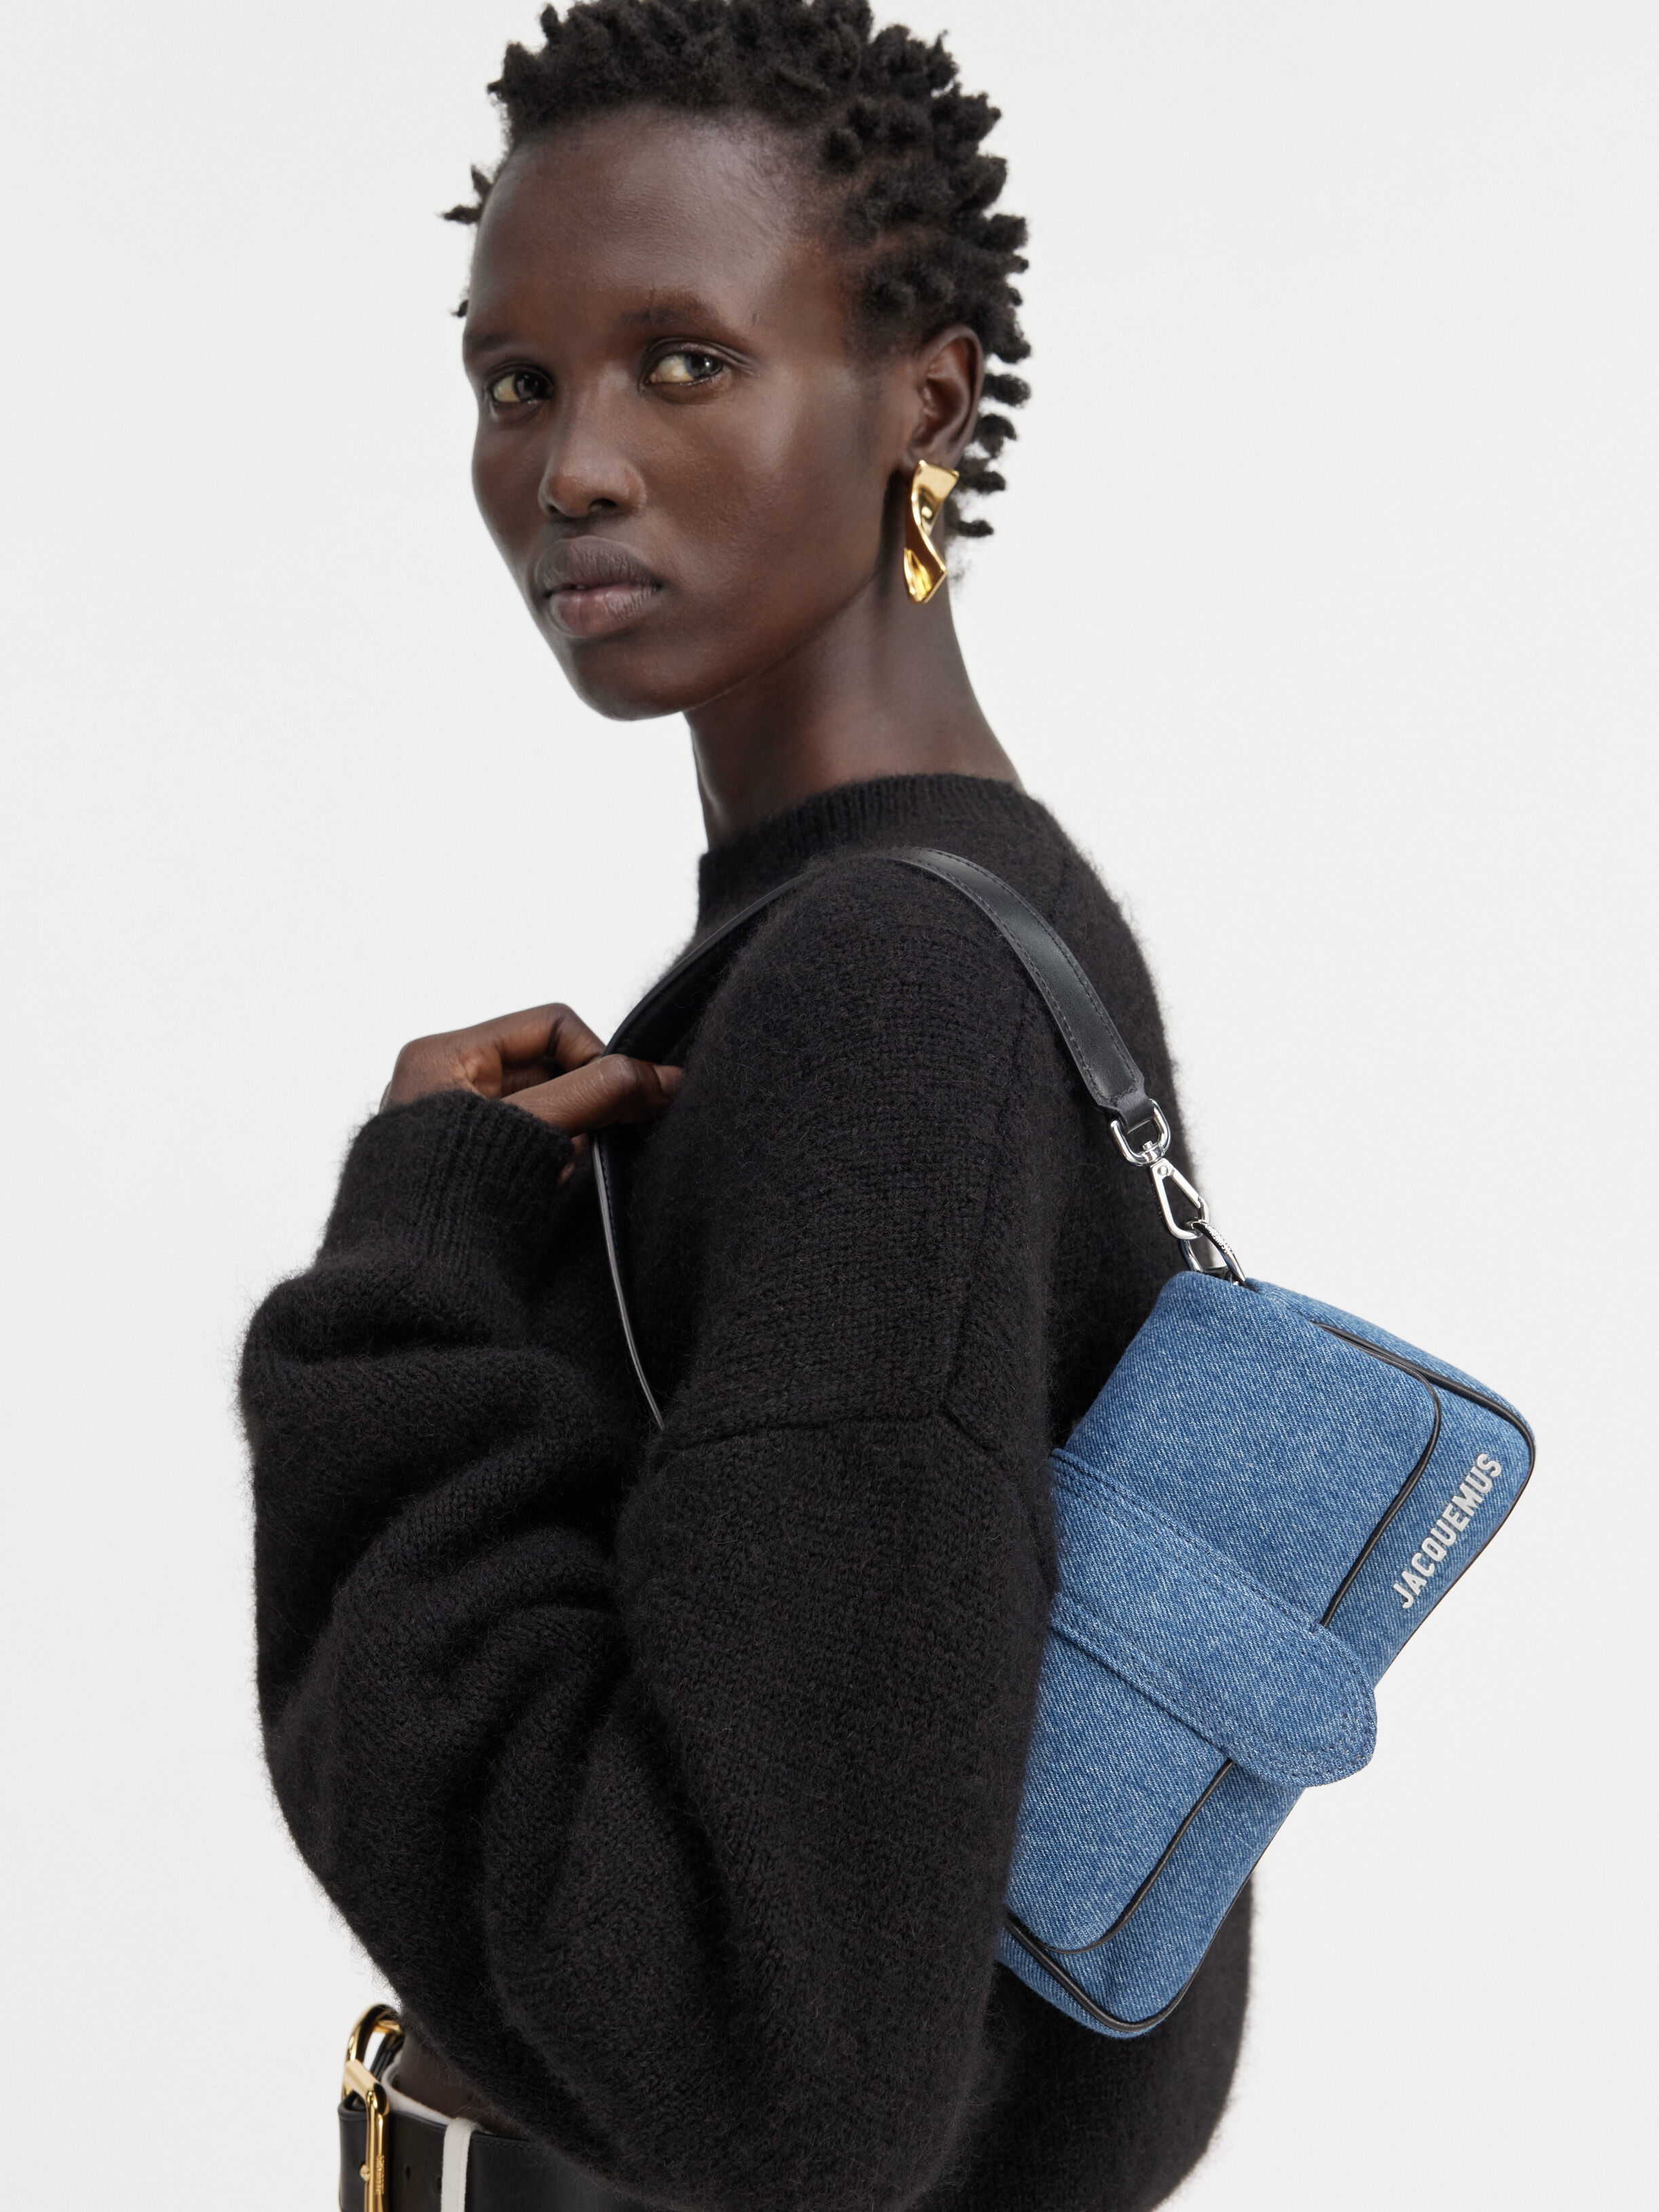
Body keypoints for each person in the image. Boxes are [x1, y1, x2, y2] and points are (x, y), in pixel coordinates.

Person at [242, 3, 1250, 2206]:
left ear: (926, 400)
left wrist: (408, 1296)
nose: (573, 468)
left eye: (683, 360)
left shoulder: (886, 991)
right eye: (518, 382)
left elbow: (777, 2069)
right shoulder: (978, 920)